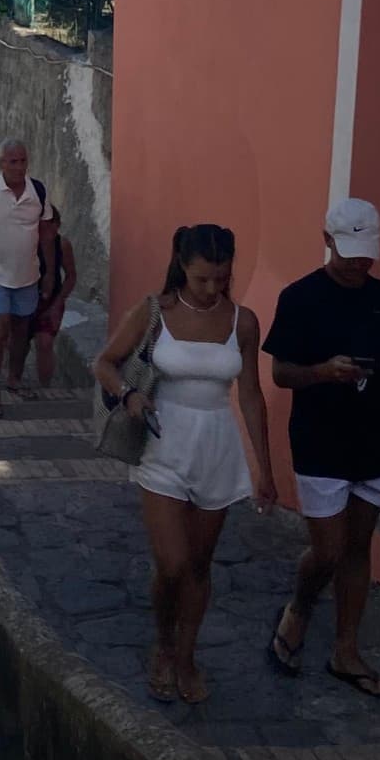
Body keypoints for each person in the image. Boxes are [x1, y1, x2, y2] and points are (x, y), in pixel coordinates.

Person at [94, 223, 276, 705]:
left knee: (199, 565)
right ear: (182, 266)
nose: (213, 287)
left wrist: (266, 469)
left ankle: (186, 655)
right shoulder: (155, 312)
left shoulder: (245, 322)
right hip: (163, 443)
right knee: (171, 564)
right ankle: (164, 640)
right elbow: (105, 362)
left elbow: (253, 398)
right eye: (202, 279)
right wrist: (129, 395)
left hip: (217, 446)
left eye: (221, 278)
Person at [263, 197, 380, 699]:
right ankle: (300, 606)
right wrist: (322, 372)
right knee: (328, 551)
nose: (360, 261)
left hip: (371, 439)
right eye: (351, 250)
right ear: (328, 240)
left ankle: (346, 649)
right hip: (318, 438)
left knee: (359, 548)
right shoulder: (299, 298)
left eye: (367, 252)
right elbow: (280, 373)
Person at [0, 139, 55, 417]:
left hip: (28, 274)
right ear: (1, 163)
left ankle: (14, 378)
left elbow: (47, 233)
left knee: (21, 332)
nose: (18, 166)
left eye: (22, 161)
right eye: (12, 161)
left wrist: (50, 273)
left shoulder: (37, 190)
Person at [28, 203, 79, 394]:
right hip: (26, 296)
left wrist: (58, 302)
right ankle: (14, 382)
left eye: (51, 223)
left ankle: (45, 388)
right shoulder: (28, 244)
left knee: (45, 342)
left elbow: (71, 276)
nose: (47, 228)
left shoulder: (62, 245)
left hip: (50, 300)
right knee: (16, 342)